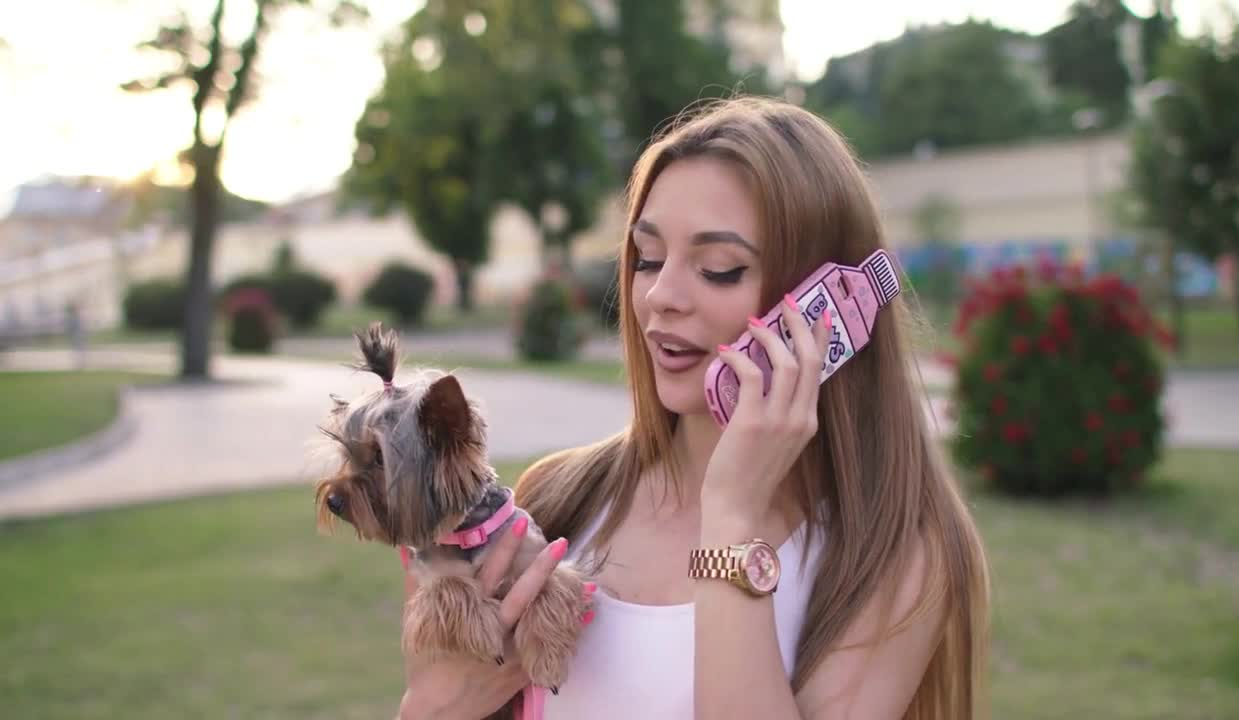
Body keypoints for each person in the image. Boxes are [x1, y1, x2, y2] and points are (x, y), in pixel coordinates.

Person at [395, 95, 990, 720]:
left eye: (720, 269)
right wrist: (433, 707)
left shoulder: (891, 554)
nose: (660, 295)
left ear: (828, 310)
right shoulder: (559, 498)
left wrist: (732, 516)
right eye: (648, 258)